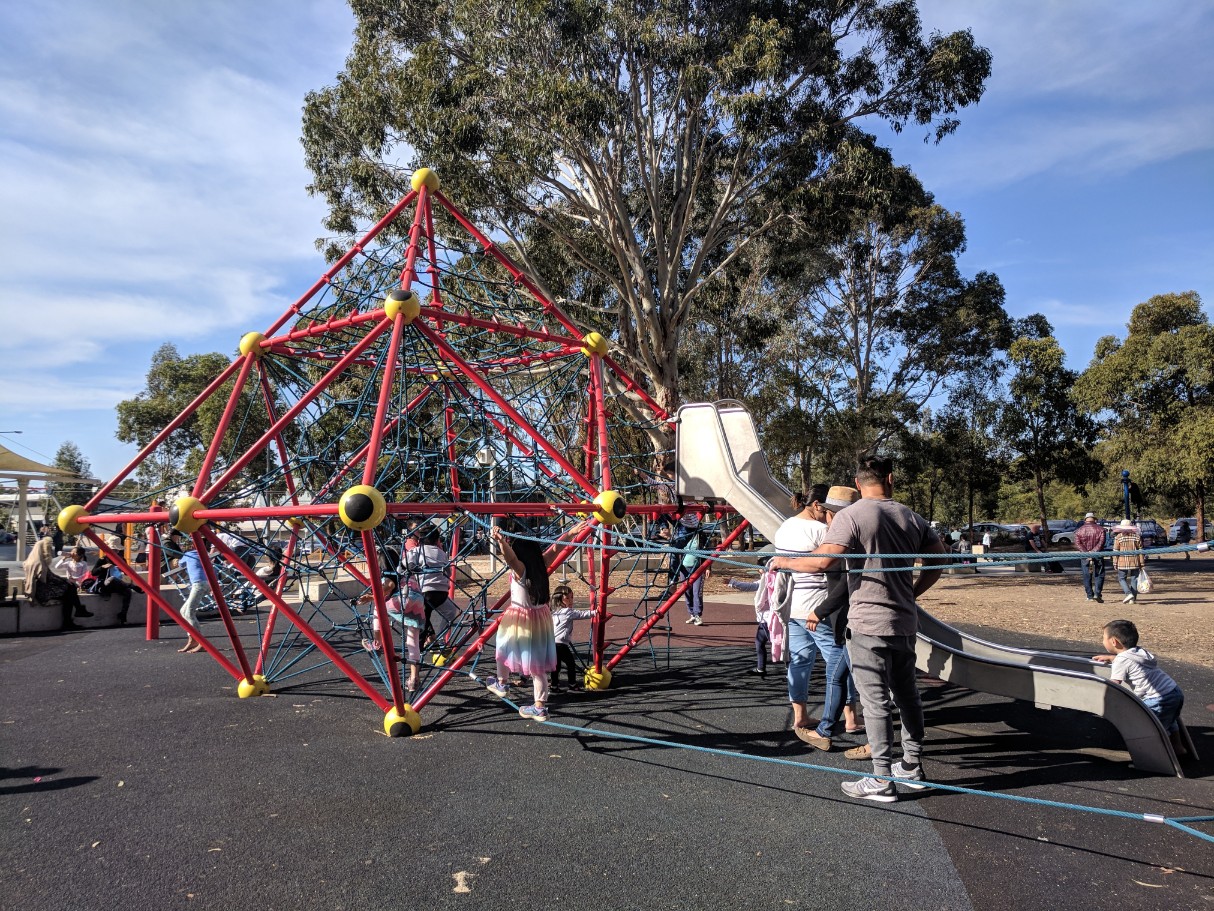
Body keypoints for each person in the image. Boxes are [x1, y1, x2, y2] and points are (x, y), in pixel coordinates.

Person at [770, 455, 946, 802]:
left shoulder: (852, 515)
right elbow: (938, 560)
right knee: (907, 695)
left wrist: (783, 561)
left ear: (857, 481)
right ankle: (911, 766)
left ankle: (882, 780)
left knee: (875, 699)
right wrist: (912, 592)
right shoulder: (911, 516)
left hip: (868, 623)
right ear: (891, 479)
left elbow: (823, 560)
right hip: (903, 623)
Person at [802, 485, 865, 749]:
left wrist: (820, 610)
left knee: (869, 683)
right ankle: (826, 730)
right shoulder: (851, 536)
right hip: (846, 621)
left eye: (828, 513)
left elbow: (847, 585)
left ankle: (873, 742)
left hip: (853, 621)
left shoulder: (845, 540)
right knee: (838, 676)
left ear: (833, 514)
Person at [772, 485, 831, 741]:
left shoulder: (785, 526)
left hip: (793, 604)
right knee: (839, 661)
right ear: (818, 505)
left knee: (799, 660)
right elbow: (826, 563)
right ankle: (850, 716)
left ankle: (800, 716)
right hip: (819, 605)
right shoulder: (822, 530)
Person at [484, 525, 557, 719]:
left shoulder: (522, 569)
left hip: (521, 618)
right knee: (537, 666)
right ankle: (540, 706)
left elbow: (510, 559)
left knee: (503, 646)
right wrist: (573, 534)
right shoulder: (541, 565)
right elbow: (557, 549)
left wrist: (500, 541)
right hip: (541, 618)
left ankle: (502, 682)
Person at [1093, 619, 1186, 753]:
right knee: (1169, 721)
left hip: (1158, 698)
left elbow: (1115, 684)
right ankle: (1178, 747)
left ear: (1114, 642)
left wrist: (1100, 691)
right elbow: (1130, 661)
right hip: (1173, 692)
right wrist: (1112, 658)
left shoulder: (1121, 660)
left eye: (1103, 638)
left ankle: (1159, 756)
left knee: (1152, 727)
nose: (1102, 641)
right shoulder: (1139, 652)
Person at [402, 525, 461, 647]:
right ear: (437, 540)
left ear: (420, 540)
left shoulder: (417, 551)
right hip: (441, 593)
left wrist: (413, 568)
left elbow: (404, 564)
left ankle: (419, 649)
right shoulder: (442, 553)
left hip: (425, 592)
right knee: (450, 612)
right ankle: (439, 637)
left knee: (421, 618)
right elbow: (448, 572)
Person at [23, 536, 92, 629]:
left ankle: (72, 618)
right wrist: (65, 580)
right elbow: (50, 577)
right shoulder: (39, 564)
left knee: (69, 593)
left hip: (39, 589)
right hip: (43, 592)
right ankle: (76, 613)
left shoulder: (31, 561)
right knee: (70, 589)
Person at [549, 584, 594, 690]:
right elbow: (581, 614)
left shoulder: (555, 612)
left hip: (553, 643)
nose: (570, 600)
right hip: (561, 644)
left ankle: (554, 685)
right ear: (560, 599)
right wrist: (595, 612)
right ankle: (572, 684)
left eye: (571, 597)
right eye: (567, 598)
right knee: (571, 663)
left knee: (556, 666)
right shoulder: (568, 612)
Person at [671, 513, 707, 624]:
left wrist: (708, 567)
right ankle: (691, 613)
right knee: (687, 591)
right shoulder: (683, 537)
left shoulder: (700, 536)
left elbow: (706, 552)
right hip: (684, 567)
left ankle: (697, 614)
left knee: (697, 592)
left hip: (697, 568)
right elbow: (676, 552)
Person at [95, 535, 134, 625]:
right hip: (105, 584)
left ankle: (123, 614)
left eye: (116, 550)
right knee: (112, 579)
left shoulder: (121, 559)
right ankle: (132, 586)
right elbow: (94, 573)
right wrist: (103, 567)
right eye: (113, 550)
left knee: (128, 592)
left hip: (118, 584)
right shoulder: (103, 560)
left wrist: (122, 568)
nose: (115, 552)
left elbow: (128, 573)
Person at [178, 538, 208, 653]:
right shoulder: (204, 554)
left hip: (198, 584)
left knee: (189, 612)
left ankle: (201, 642)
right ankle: (192, 639)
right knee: (183, 611)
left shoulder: (189, 554)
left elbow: (180, 564)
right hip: (205, 583)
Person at [1075, 513, 1106, 603]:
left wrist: (1086, 553)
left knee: (1086, 575)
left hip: (1084, 556)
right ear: (1095, 520)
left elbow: (1078, 544)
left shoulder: (1079, 531)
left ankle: (1089, 595)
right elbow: (1101, 543)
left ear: (1085, 520)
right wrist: (1093, 553)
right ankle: (1097, 593)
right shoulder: (1101, 530)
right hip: (1098, 555)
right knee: (1099, 574)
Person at [1112, 519, 1145, 604]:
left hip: (1122, 561)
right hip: (1135, 561)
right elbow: (1141, 550)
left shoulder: (1118, 537)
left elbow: (1115, 551)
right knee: (1134, 579)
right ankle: (1132, 599)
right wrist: (1142, 563)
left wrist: (1115, 562)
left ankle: (1128, 593)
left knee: (1121, 578)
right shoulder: (1136, 536)